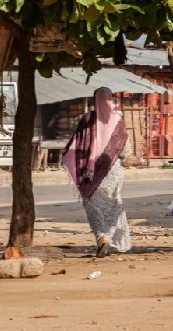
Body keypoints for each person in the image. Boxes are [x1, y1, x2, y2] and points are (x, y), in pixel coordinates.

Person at [62, 87, 132, 257]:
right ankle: (115, 241)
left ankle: (102, 238)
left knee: (93, 207)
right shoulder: (118, 120)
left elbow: (75, 146)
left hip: (89, 172)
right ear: (111, 100)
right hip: (113, 169)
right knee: (114, 204)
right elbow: (125, 151)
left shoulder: (87, 119)